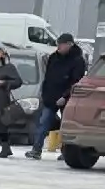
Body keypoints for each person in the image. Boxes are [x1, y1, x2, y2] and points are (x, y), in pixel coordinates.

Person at [30, 31, 87, 159]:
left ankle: (65, 152)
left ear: (70, 45)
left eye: (61, 45)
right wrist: (44, 93)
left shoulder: (78, 60)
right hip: (50, 96)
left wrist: (65, 96)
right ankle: (36, 150)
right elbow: (48, 76)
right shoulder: (53, 57)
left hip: (67, 98)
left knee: (66, 126)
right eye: (58, 44)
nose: (58, 47)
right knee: (43, 122)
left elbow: (76, 81)